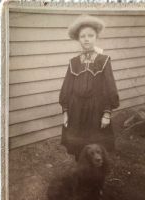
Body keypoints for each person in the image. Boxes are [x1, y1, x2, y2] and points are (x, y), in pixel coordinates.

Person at [59, 14, 120, 160]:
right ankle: (81, 171)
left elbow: (109, 88)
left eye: (90, 35)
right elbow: (67, 88)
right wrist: (66, 112)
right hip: (76, 109)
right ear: (78, 39)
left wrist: (106, 113)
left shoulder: (103, 60)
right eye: (83, 36)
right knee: (78, 146)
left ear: (96, 37)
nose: (86, 39)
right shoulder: (73, 62)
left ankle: (96, 174)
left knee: (96, 146)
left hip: (96, 109)